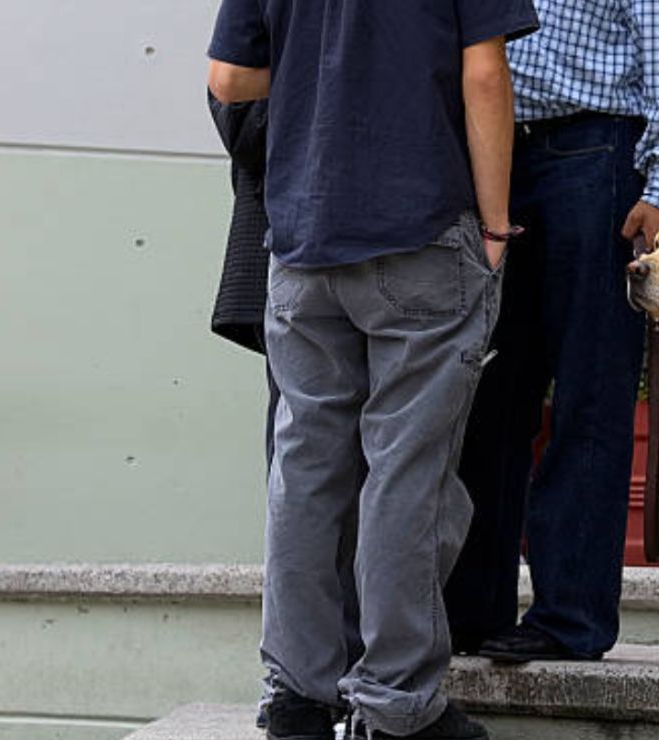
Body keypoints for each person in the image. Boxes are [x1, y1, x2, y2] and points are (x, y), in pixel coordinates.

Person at [207, 1, 537, 738]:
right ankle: (396, 706)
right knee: (407, 470)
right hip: (420, 232)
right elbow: (484, 75)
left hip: (300, 242)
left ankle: (297, 695)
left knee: (306, 468)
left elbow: (229, 79)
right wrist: (493, 224)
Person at [445, 0, 659, 662]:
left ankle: (570, 619)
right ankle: (471, 610)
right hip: (486, 150)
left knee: (589, 393)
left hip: (591, 154)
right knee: (486, 395)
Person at [206, 92, 363, 731]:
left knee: (382, 467)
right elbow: (235, 102)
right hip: (302, 234)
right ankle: (303, 682)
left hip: (407, 235)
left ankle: (359, 675)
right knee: (307, 467)